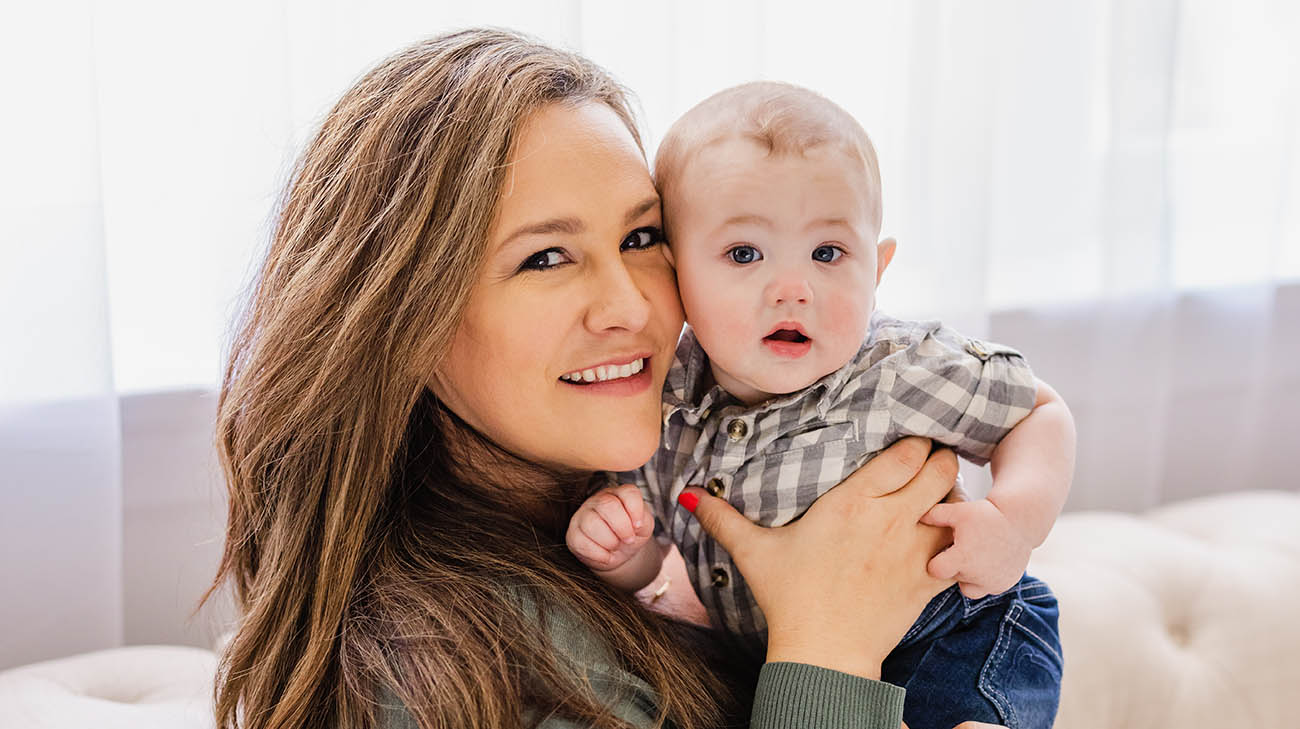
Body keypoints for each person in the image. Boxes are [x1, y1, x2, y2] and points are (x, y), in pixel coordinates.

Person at [205, 29, 991, 729]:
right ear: (408, 325)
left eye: (642, 236)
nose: (631, 305)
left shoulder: (646, 498)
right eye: (545, 257)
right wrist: (829, 644)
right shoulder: (446, 674)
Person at [566, 82, 1075, 729]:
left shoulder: (896, 365)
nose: (792, 289)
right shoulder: (666, 399)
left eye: (828, 253)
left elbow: (1039, 410)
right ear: (674, 269)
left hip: (957, 630)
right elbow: (653, 551)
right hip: (778, 658)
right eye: (744, 253)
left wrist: (1013, 521)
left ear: (878, 267)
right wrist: (621, 553)